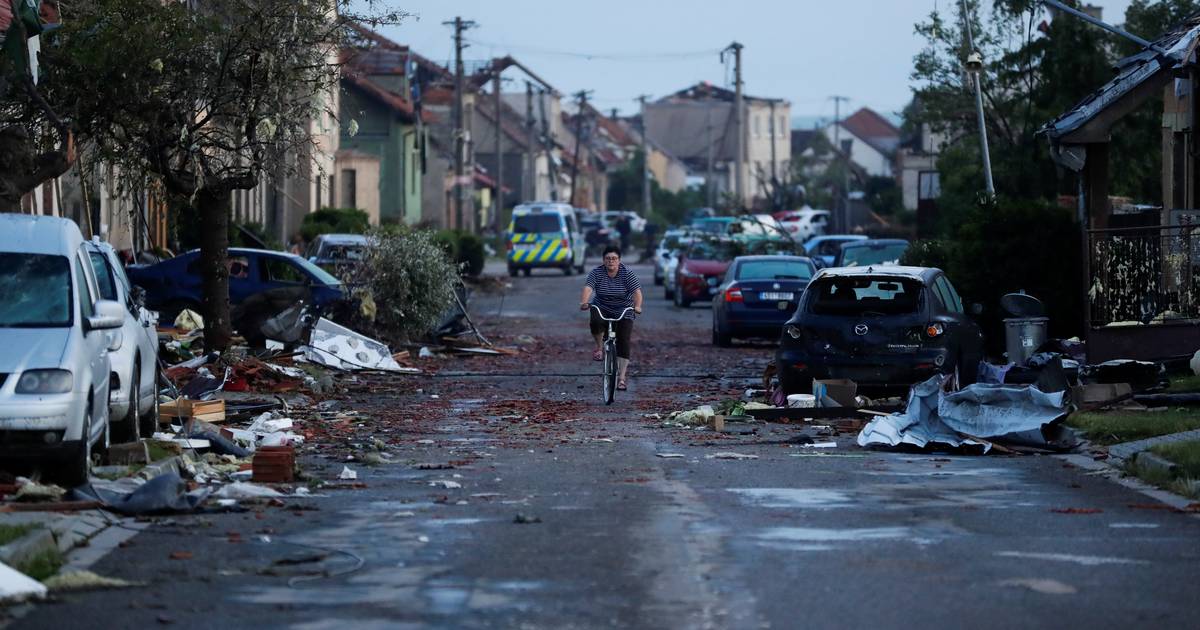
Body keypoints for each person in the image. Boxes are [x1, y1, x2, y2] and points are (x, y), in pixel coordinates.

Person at [580, 245, 643, 391]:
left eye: (614, 259)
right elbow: (588, 288)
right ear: (603, 260)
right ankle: (599, 347)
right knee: (595, 321)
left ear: (619, 261)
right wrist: (584, 302)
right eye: (608, 259)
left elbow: (637, 293)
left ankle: (621, 378)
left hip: (624, 308)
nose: (611, 261)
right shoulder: (596, 272)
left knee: (624, 340)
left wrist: (638, 306)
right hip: (602, 306)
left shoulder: (627, 273)